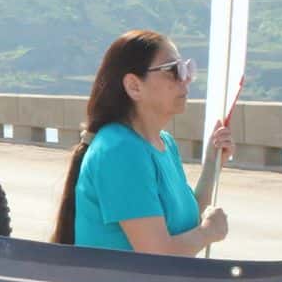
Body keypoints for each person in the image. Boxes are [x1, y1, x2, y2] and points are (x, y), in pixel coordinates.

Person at [51, 29, 233, 254]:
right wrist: (207, 233)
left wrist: (212, 164)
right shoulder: (119, 150)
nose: (185, 78)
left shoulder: (163, 143)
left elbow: (185, 225)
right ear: (134, 86)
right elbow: (156, 256)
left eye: (186, 68)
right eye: (172, 70)